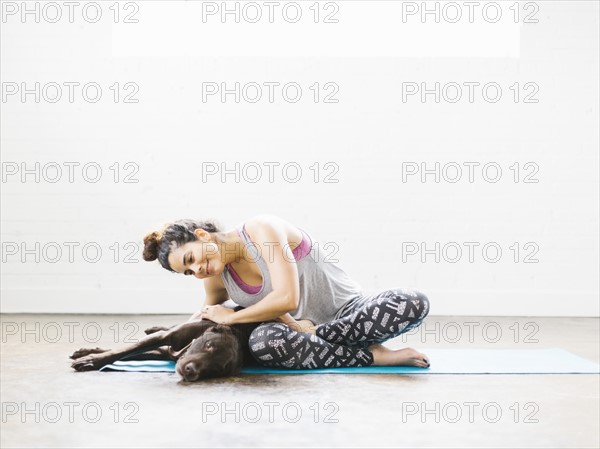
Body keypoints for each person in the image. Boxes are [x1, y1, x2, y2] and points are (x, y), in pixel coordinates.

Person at [142, 214, 430, 369]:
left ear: (201, 236)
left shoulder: (261, 230)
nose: (198, 270)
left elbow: (286, 298)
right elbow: (202, 318)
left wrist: (229, 318)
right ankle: (374, 356)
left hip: (350, 312)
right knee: (264, 342)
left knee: (412, 302)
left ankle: (325, 339)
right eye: (188, 272)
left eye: (191, 259)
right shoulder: (216, 277)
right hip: (293, 333)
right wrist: (174, 342)